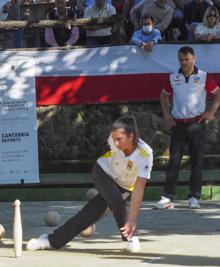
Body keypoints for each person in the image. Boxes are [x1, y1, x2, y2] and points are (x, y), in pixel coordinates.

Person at [26, 116, 153, 253]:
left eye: (119, 139)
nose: (115, 143)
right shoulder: (113, 141)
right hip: (103, 172)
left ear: (131, 136)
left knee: (90, 214)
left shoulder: (145, 155)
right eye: (113, 138)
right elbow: (116, 199)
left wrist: (132, 220)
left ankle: (50, 240)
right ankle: (132, 237)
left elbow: (138, 190)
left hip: (125, 185)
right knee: (117, 201)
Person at [155, 46, 220, 210]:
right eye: (181, 59)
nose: (183, 62)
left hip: (196, 124)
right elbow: (163, 95)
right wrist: (167, 115)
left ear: (194, 59)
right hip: (178, 124)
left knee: (197, 161)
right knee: (174, 161)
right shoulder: (173, 77)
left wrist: (211, 111)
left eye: (187, 59)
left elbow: (218, 92)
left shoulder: (203, 76)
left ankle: (194, 197)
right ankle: (167, 197)